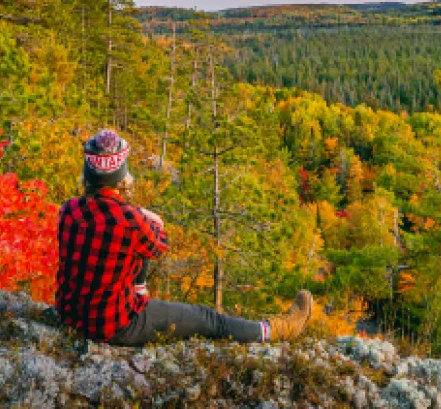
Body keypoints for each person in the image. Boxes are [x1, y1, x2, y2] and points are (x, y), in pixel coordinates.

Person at [55, 128, 312, 346]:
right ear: (122, 174)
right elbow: (158, 246)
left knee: (128, 251)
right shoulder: (130, 220)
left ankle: (139, 294)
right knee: (207, 319)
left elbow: (103, 229)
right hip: (112, 326)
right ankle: (276, 329)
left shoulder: (69, 209)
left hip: (71, 316)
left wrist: (137, 214)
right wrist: (152, 220)